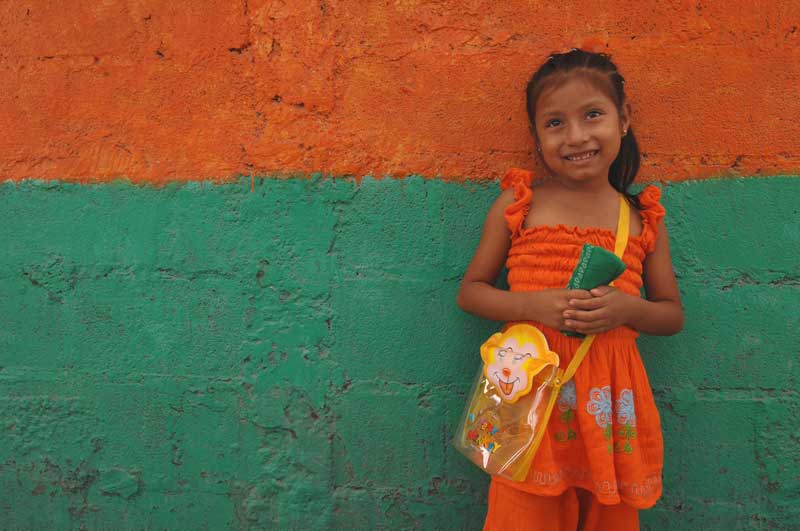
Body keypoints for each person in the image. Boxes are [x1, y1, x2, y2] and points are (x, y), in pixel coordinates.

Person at [456, 49, 684, 531]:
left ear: (623, 121)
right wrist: (531, 305)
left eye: (593, 115)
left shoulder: (642, 220)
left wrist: (626, 309)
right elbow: (471, 292)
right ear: (537, 137)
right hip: (529, 409)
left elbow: (671, 315)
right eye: (555, 123)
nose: (576, 136)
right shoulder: (519, 206)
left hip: (610, 413)